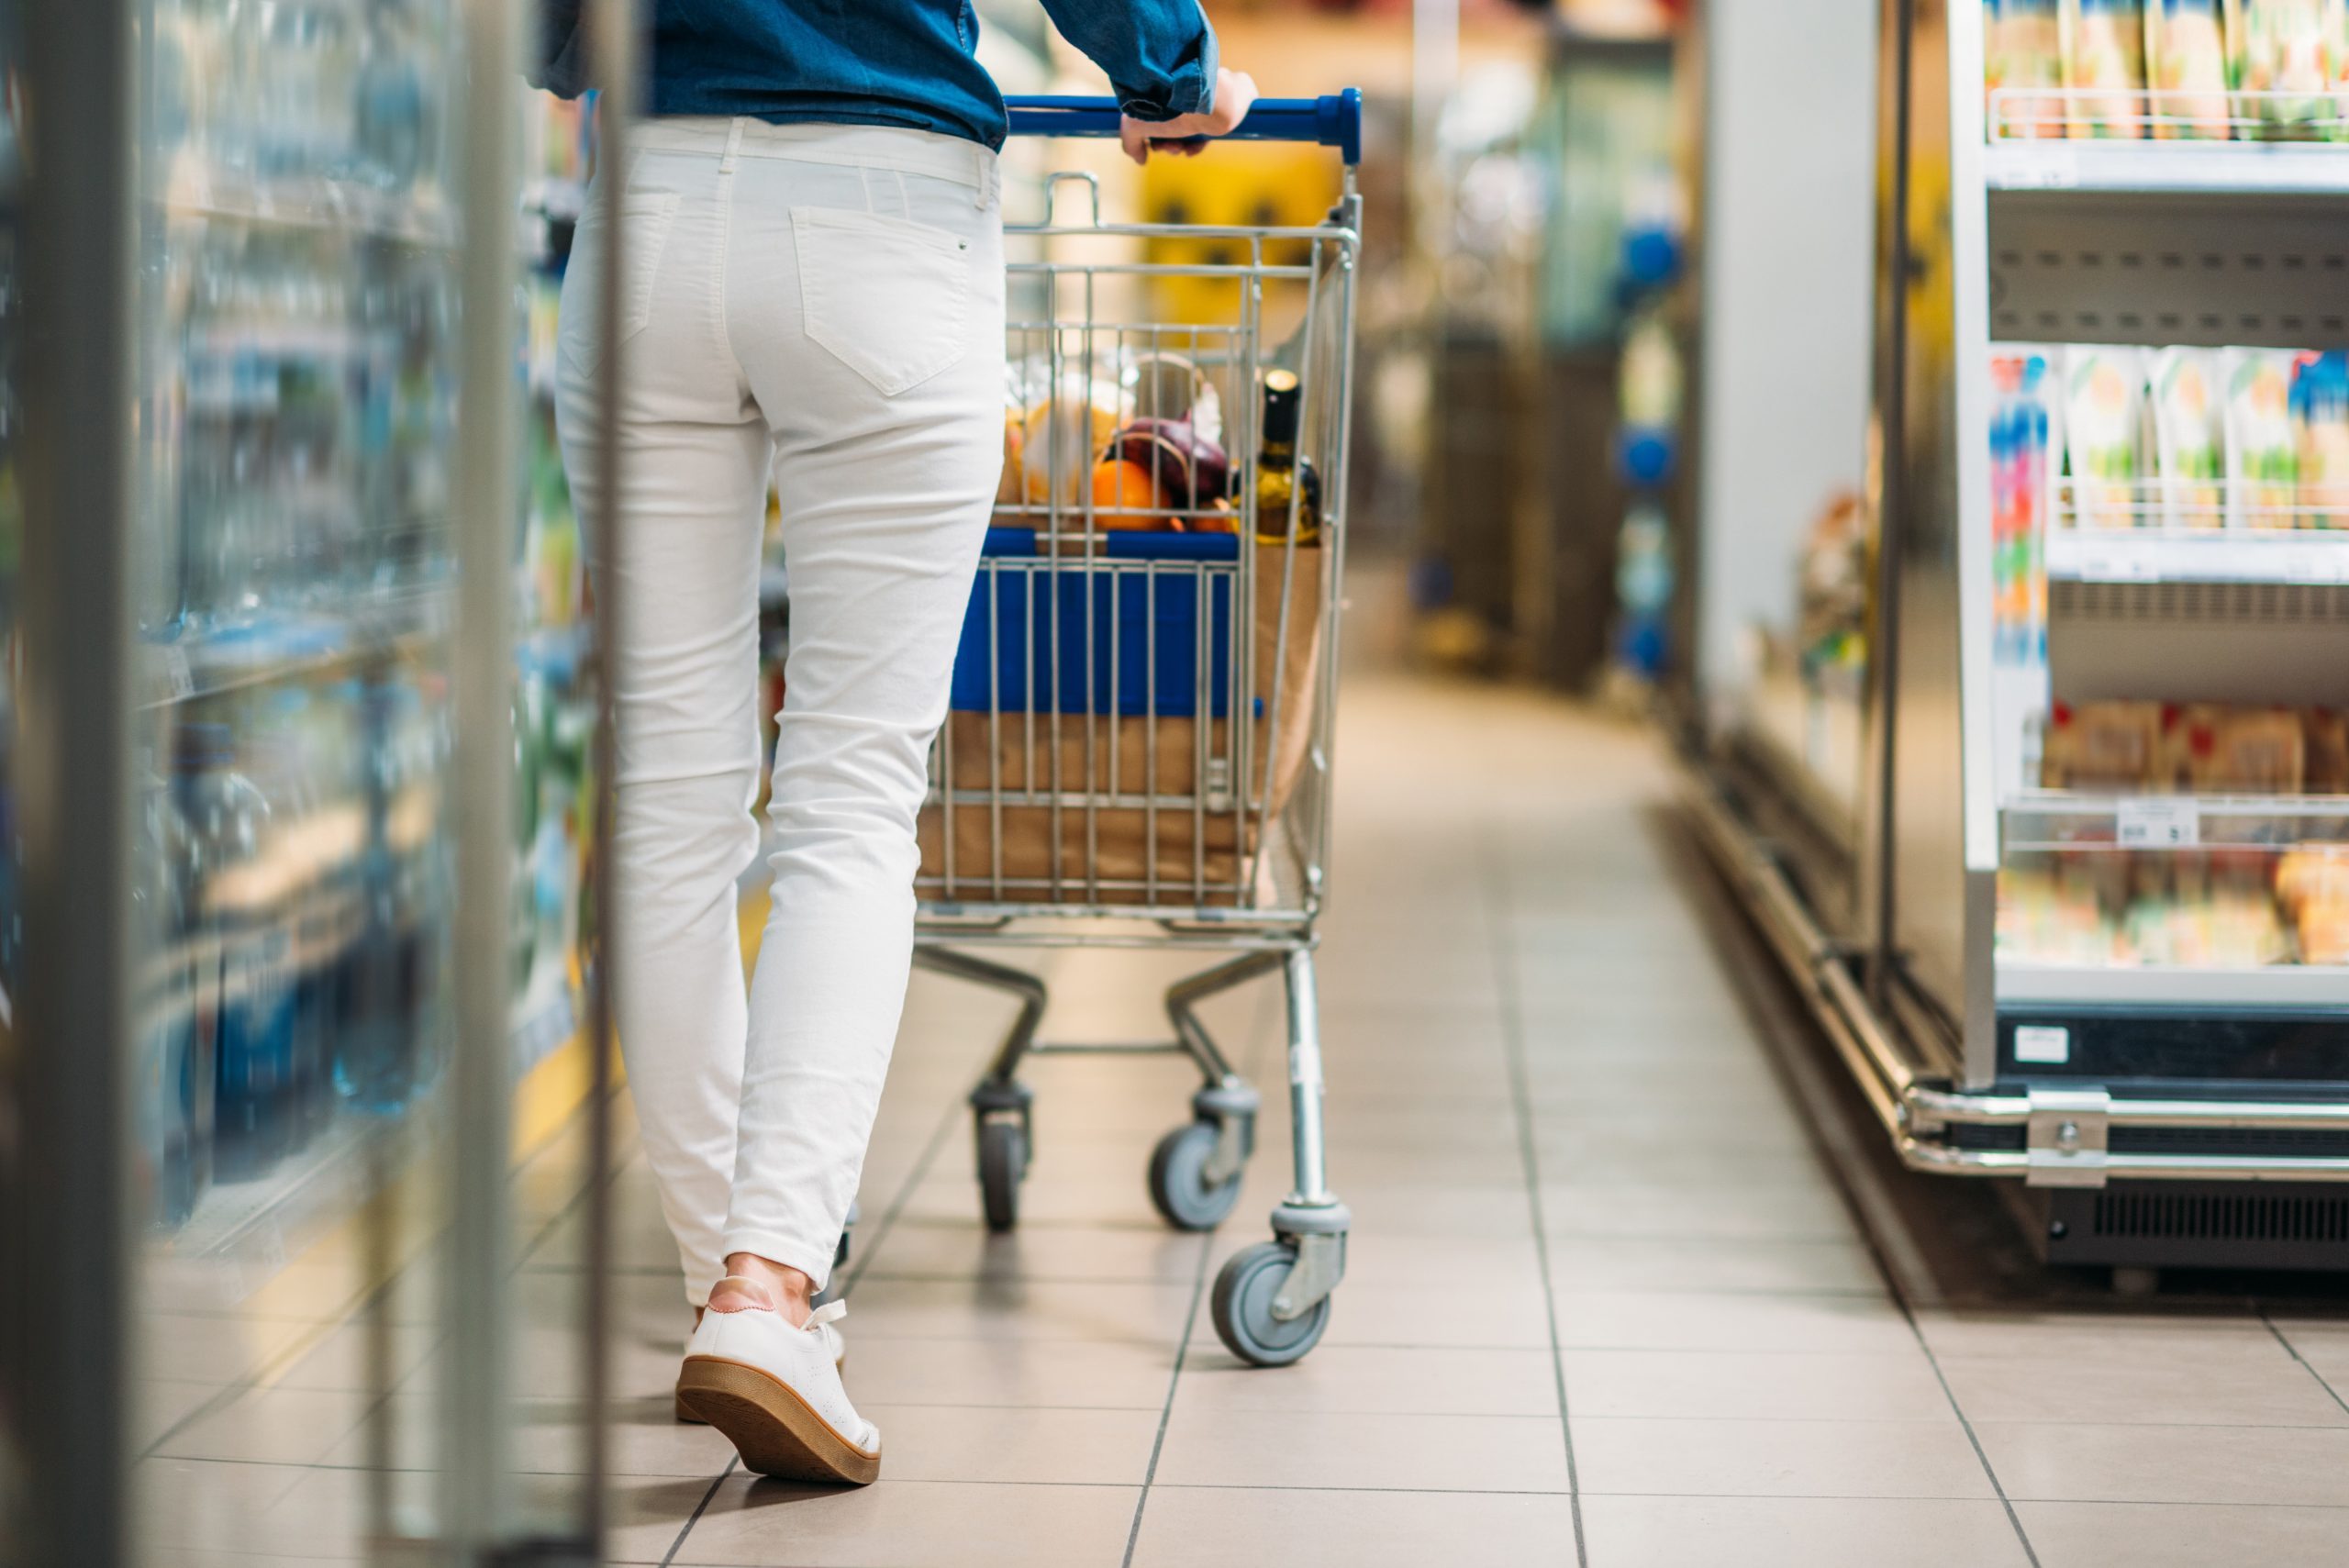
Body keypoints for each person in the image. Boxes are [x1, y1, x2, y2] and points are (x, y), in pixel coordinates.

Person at [552, 1, 1256, 1487]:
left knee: (672, 798)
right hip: (882, 215)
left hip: (647, 214)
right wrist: (1173, 78)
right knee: (853, 799)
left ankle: (735, 1288)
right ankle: (767, 1285)